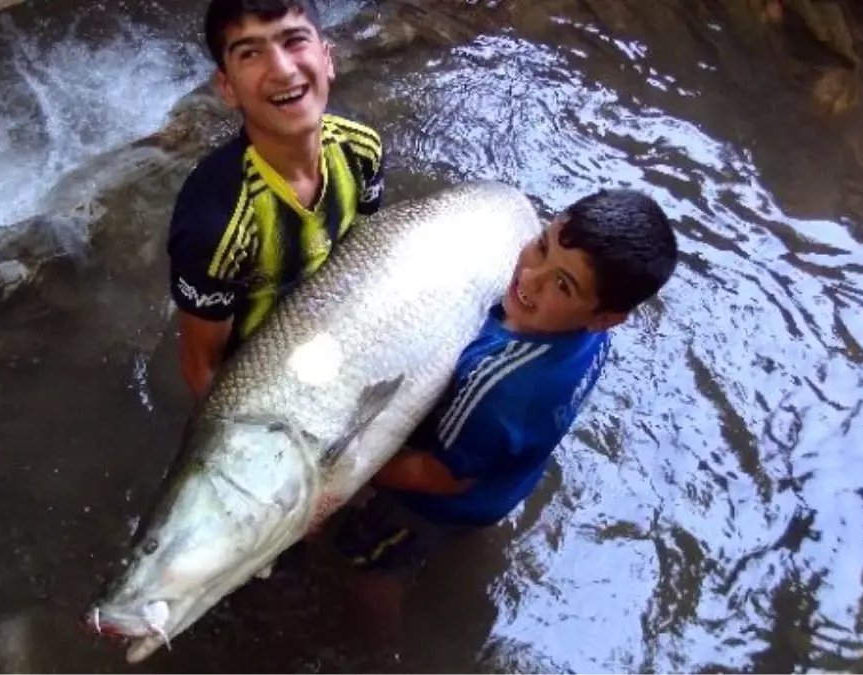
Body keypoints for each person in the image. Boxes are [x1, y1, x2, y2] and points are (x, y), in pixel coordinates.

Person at [332, 186, 680, 636]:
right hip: (504, 482)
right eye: (542, 245)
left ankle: (381, 648)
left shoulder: (496, 384)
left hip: (432, 503)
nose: (531, 276)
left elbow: (442, 475)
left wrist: (350, 468)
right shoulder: (588, 337)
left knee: (375, 570)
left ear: (604, 318)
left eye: (562, 284)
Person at [166, 0, 386, 399]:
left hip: (336, 331)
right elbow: (201, 368)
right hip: (260, 379)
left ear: (327, 58)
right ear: (228, 88)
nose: (283, 70)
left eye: (294, 40)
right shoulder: (215, 224)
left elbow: (368, 256)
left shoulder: (362, 150)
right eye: (251, 53)